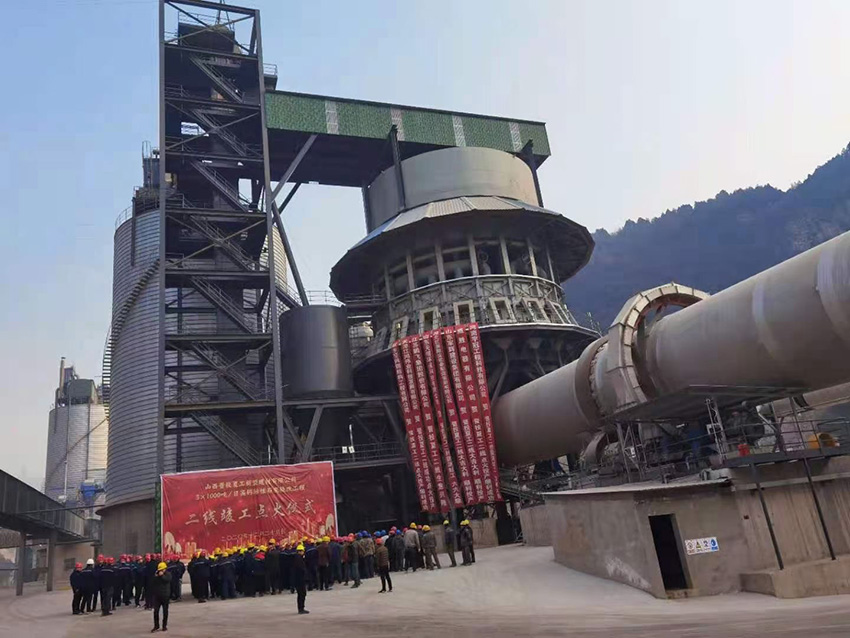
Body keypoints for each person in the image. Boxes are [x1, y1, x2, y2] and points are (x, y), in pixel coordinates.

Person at [151, 560, 172, 633]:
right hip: (157, 595)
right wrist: (156, 576)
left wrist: (162, 575)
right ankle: (156, 626)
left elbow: (167, 580)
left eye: (162, 569)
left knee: (165, 611)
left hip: (165, 595)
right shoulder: (156, 575)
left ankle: (164, 626)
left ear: (165, 569)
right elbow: (152, 582)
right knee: (156, 611)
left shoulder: (168, 574)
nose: (160, 571)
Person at [292, 544, 309, 614]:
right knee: (302, 594)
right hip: (300, 579)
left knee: (301, 594)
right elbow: (302, 569)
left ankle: (301, 608)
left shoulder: (296, 558)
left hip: (298, 579)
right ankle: (301, 608)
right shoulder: (299, 559)